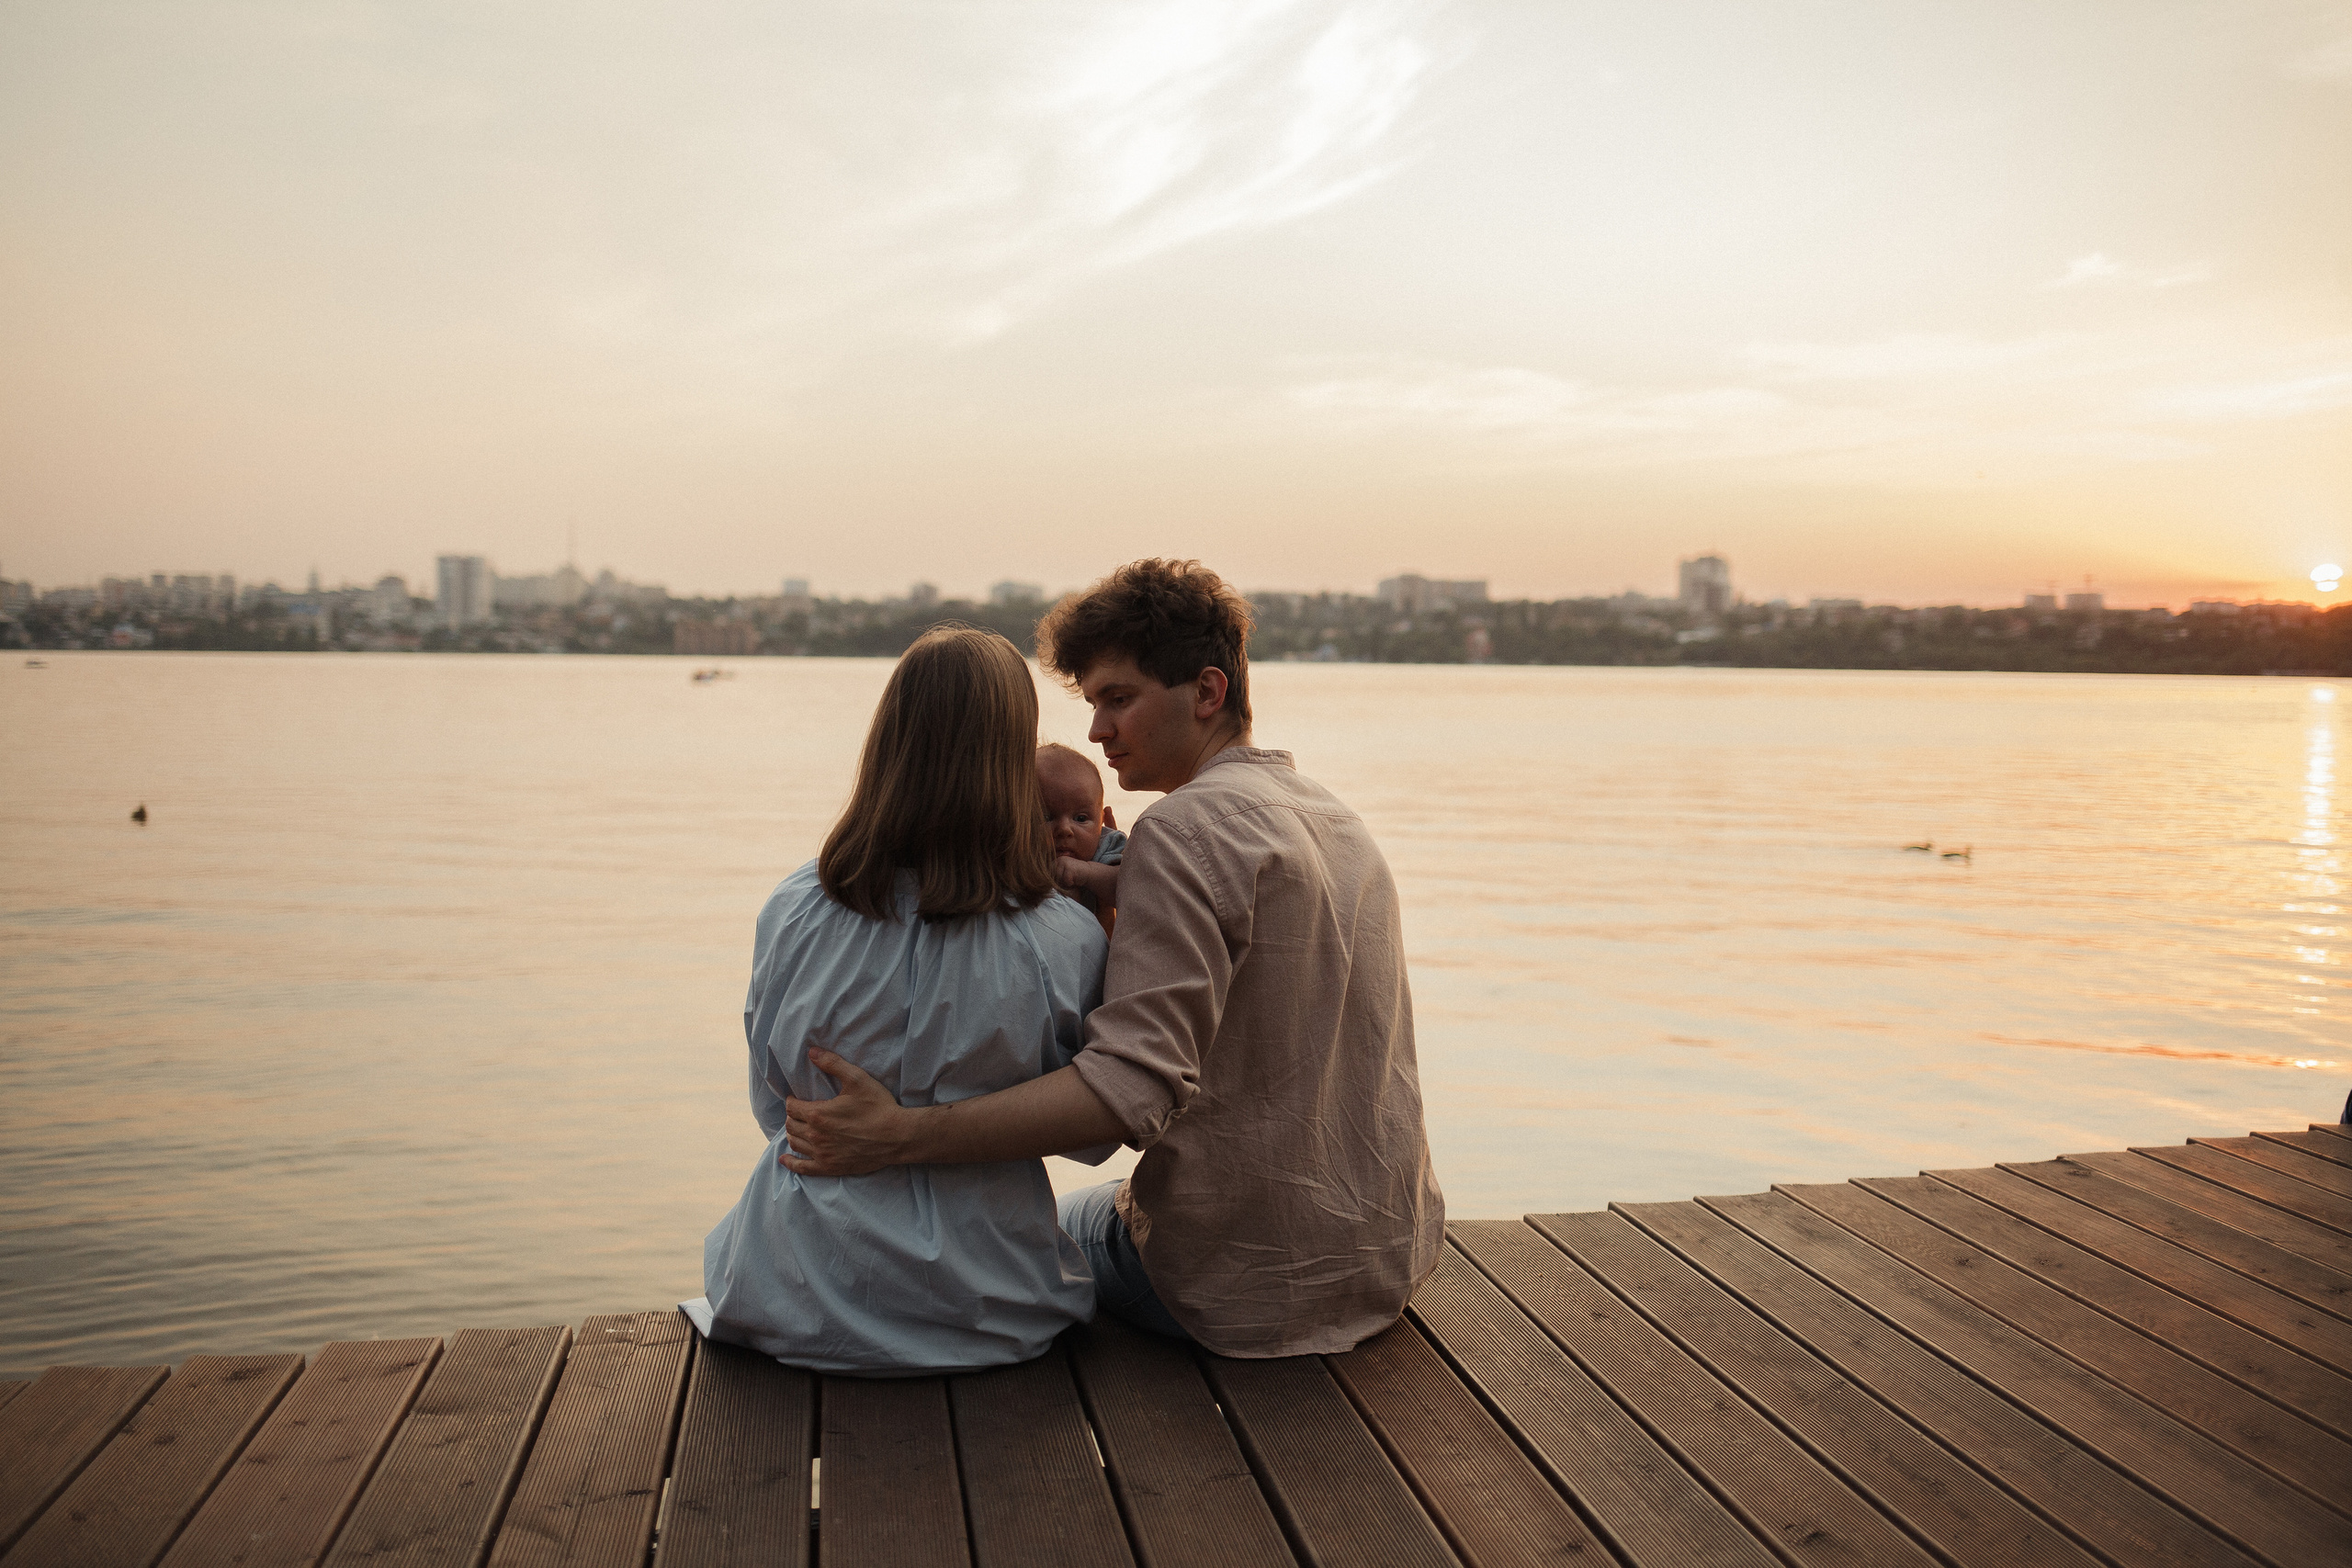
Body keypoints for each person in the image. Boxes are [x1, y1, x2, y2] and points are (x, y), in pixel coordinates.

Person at [783, 559, 1445, 1358]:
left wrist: (899, 1134)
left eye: (1118, 699)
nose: (1096, 731)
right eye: (1093, 702)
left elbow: (1125, 1096)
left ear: (1206, 692)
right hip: (1384, 1258)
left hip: (1244, 1288)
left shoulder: (1180, 833)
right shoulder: (1332, 818)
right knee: (1097, 1202)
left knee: (1032, 1237)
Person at [683, 626, 1114, 1374]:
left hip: (791, 1297)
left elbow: (773, 1106)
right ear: (1013, 762)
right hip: (990, 1310)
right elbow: (1092, 1137)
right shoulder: (1062, 940)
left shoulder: (793, 909)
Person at [1038, 741, 1124, 935]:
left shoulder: (1105, 846)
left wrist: (1086, 873)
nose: (1064, 830)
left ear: (1102, 819)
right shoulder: (1020, 853)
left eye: (1081, 819)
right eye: (1045, 817)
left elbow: (1127, 887)